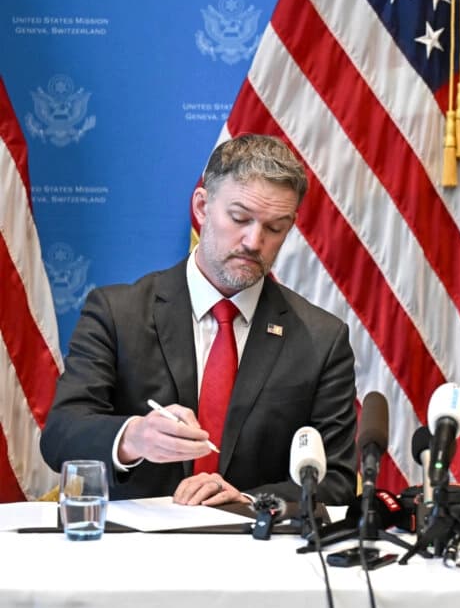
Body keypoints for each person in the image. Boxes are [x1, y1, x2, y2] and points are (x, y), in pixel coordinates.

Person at [40, 134, 358, 506]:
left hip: (257, 553)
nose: (254, 241)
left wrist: (248, 502)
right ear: (203, 207)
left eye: (275, 228)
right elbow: (61, 436)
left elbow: (335, 481)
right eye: (239, 218)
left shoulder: (321, 339)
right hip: (132, 552)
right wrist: (135, 437)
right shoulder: (117, 313)